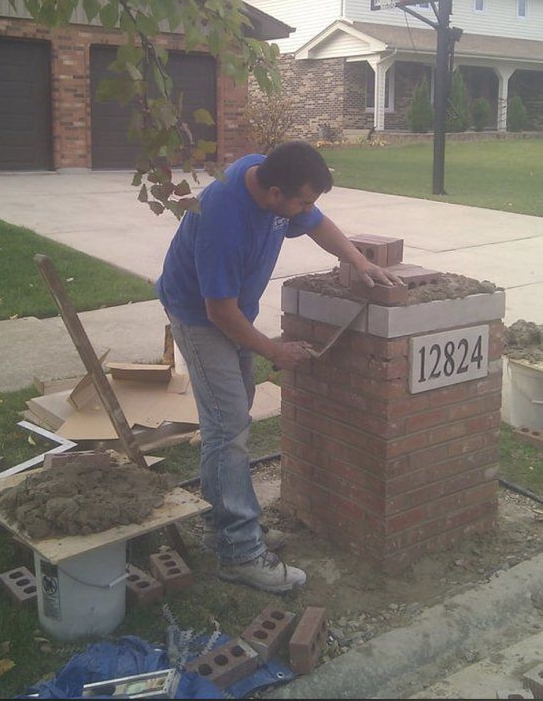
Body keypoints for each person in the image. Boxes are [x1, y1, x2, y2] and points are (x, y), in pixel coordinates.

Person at [156, 141, 401, 594]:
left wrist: (359, 261)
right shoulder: (222, 220)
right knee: (228, 428)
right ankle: (240, 553)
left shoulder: (265, 174)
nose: (307, 209)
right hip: (199, 316)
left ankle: (221, 523)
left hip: (231, 311)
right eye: (302, 201)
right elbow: (218, 312)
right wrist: (274, 350)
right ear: (273, 194)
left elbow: (317, 224)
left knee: (228, 421)